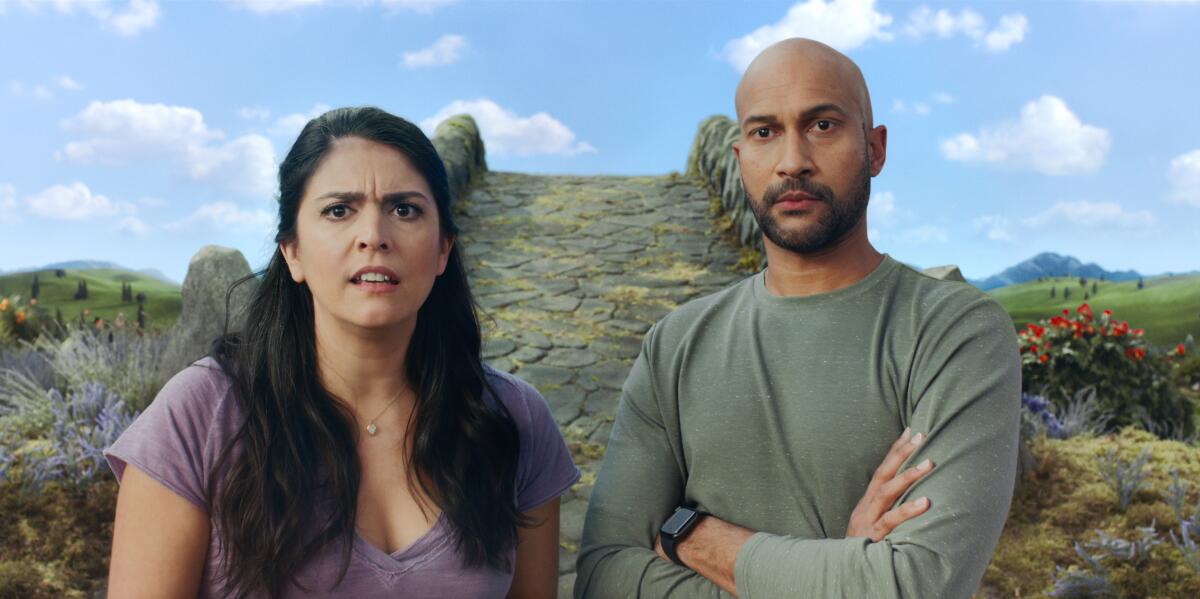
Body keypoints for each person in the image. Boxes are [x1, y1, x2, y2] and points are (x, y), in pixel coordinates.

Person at [575, 38, 1020, 599]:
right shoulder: (676, 345)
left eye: (823, 125)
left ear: (875, 148)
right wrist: (843, 566)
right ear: (739, 162)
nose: (792, 161)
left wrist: (691, 536)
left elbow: (915, 584)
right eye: (765, 132)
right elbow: (604, 576)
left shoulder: (953, 332)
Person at [105, 107, 579, 598]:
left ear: (442, 250)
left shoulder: (514, 421)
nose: (373, 235)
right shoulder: (200, 417)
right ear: (292, 251)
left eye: (405, 209)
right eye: (339, 210)